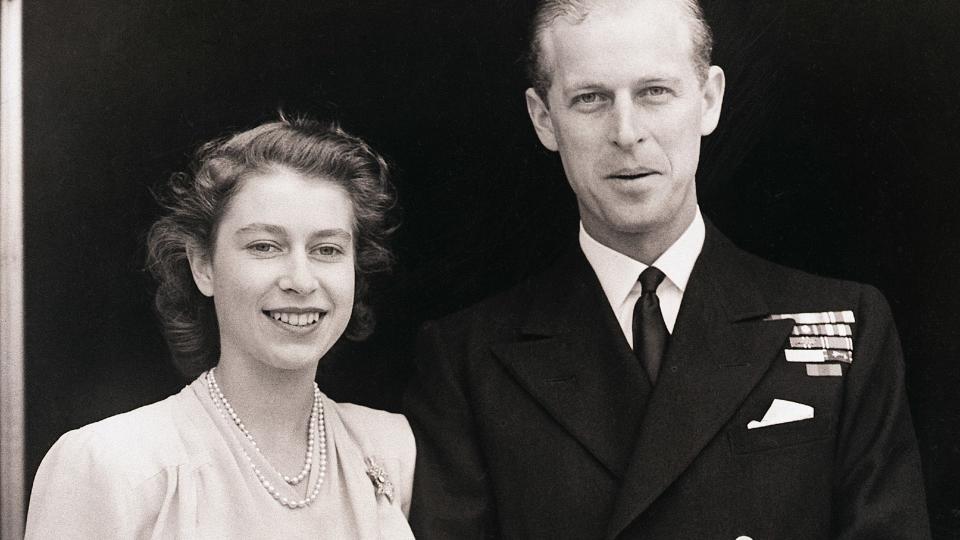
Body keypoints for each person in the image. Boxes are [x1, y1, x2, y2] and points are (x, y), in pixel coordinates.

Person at [403, 0, 930, 538]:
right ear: (544, 119)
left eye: (654, 92)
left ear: (709, 99)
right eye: (590, 99)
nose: (626, 132)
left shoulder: (849, 323)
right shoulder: (466, 360)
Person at [26, 117, 415, 538]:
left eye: (327, 249)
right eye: (264, 246)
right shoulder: (112, 465)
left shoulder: (385, 448)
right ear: (203, 265)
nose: (302, 281)